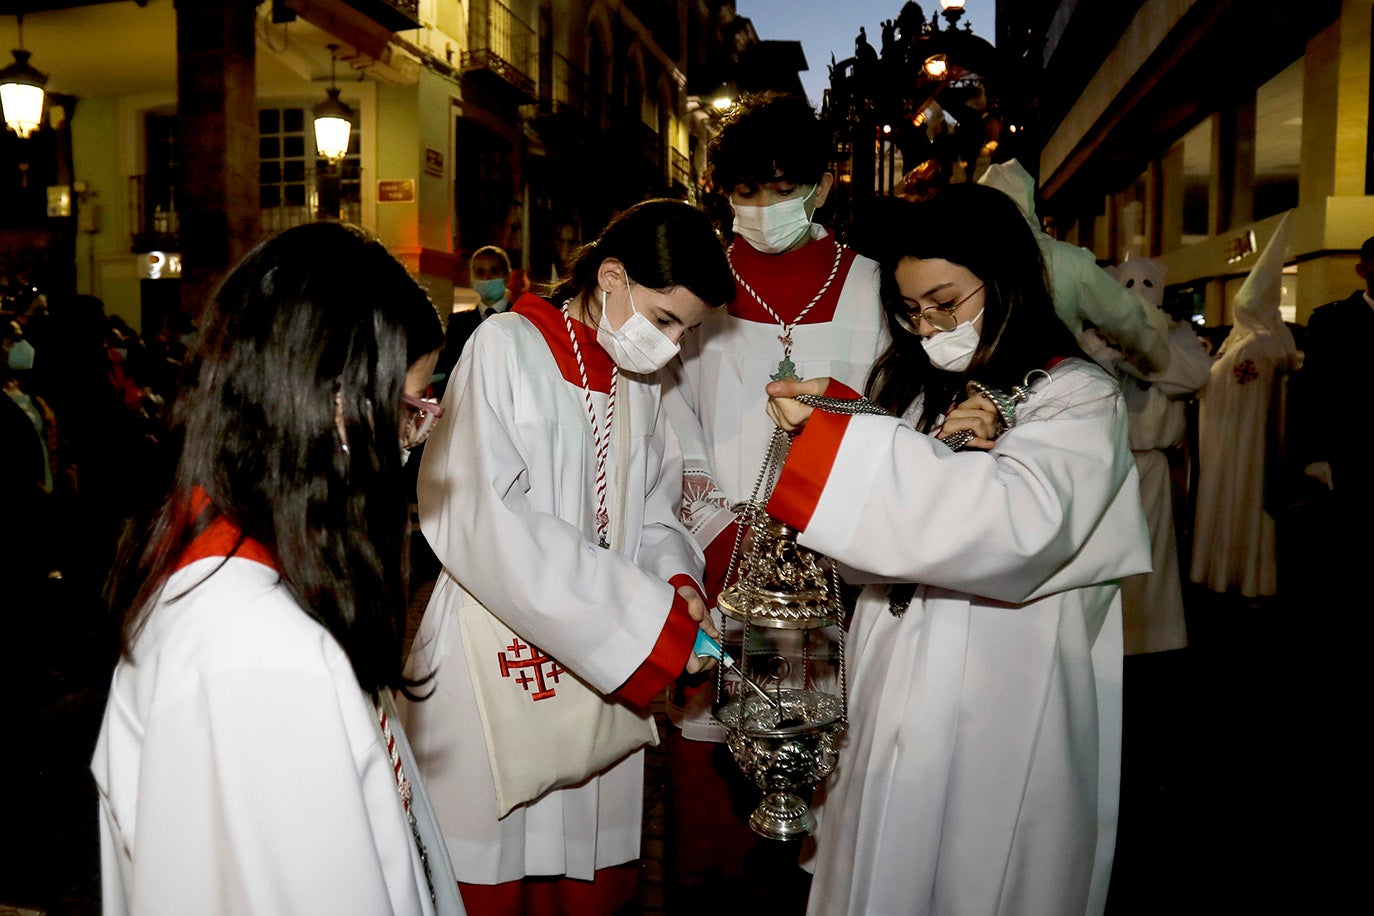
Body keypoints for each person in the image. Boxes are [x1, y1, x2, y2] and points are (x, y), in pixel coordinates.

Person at [763, 183, 1150, 915]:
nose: (928, 325)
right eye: (911, 311)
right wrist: (858, 430)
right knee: (885, 856)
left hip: (1002, 682)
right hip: (897, 668)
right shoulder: (920, 391)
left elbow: (1020, 526)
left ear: (1003, 277)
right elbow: (868, 545)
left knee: (981, 870)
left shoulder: (1075, 398)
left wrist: (862, 450)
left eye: (946, 301)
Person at [90, 222, 463, 915]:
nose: (414, 441)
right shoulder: (254, 650)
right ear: (333, 403)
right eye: (411, 409)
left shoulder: (252, 562)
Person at [399, 198, 735, 914]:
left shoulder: (641, 379)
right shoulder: (506, 346)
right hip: (494, 652)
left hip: (601, 668)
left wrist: (676, 581)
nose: (673, 345)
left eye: (688, 331)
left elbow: (652, 508)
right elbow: (482, 515)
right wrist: (642, 622)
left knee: (588, 880)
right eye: (665, 318)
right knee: (491, 877)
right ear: (610, 277)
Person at [659, 89, 888, 892]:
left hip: (844, 566)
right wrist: (719, 530)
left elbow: (897, 414)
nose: (761, 208)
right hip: (723, 559)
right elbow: (670, 418)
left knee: (831, 768)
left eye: (781, 188)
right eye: (744, 191)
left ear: (822, 187)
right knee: (715, 786)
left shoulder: (874, 288)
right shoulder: (696, 290)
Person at [1082, 258, 1211, 654]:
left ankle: (1150, 637)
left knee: (1149, 557)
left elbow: (1194, 376)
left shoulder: (1178, 335)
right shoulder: (1095, 337)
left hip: (1151, 462)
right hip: (1105, 461)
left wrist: (1143, 350)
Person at [978, 158, 1173, 374]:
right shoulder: (1066, 259)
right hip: (1057, 383)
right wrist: (1155, 357)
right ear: (1028, 202)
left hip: (990, 386)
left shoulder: (972, 260)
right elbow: (1125, 316)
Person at [1190, 213, 1299, 599]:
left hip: (1237, 443)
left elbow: (1216, 389)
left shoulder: (1251, 346)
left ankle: (1231, 573)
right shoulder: (1269, 342)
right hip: (1248, 441)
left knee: (1238, 503)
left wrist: (1203, 374)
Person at [435, 246, 514, 399]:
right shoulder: (458, 324)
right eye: (480, 272)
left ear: (506, 276)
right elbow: (447, 370)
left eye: (494, 271)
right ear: (472, 278)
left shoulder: (520, 319)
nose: (487, 278)